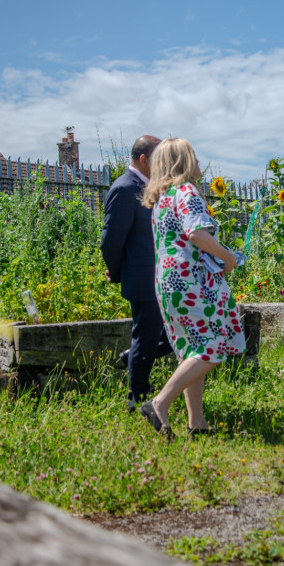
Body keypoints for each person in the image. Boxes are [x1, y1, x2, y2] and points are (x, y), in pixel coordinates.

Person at [138, 138, 246, 439]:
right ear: (182, 161)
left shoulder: (163, 198)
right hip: (191, 280)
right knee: (212, 347)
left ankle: (197, 423)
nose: (199, 162)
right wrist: (227, 257)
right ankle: (159, 403)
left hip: (169, 282)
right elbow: (196, 233)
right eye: (194, 156)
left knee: (194, 349)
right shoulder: (186, 192)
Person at [100, 135, 172, 413]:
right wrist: (118, 273)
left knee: (165, 335)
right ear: (144, 159)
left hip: (158, 276)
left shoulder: (147, 187)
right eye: (158, 160)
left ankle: (133, 358)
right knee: (146, 336)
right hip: (142, 278)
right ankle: (137, 399)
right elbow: (111, 241)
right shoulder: (124, 188)